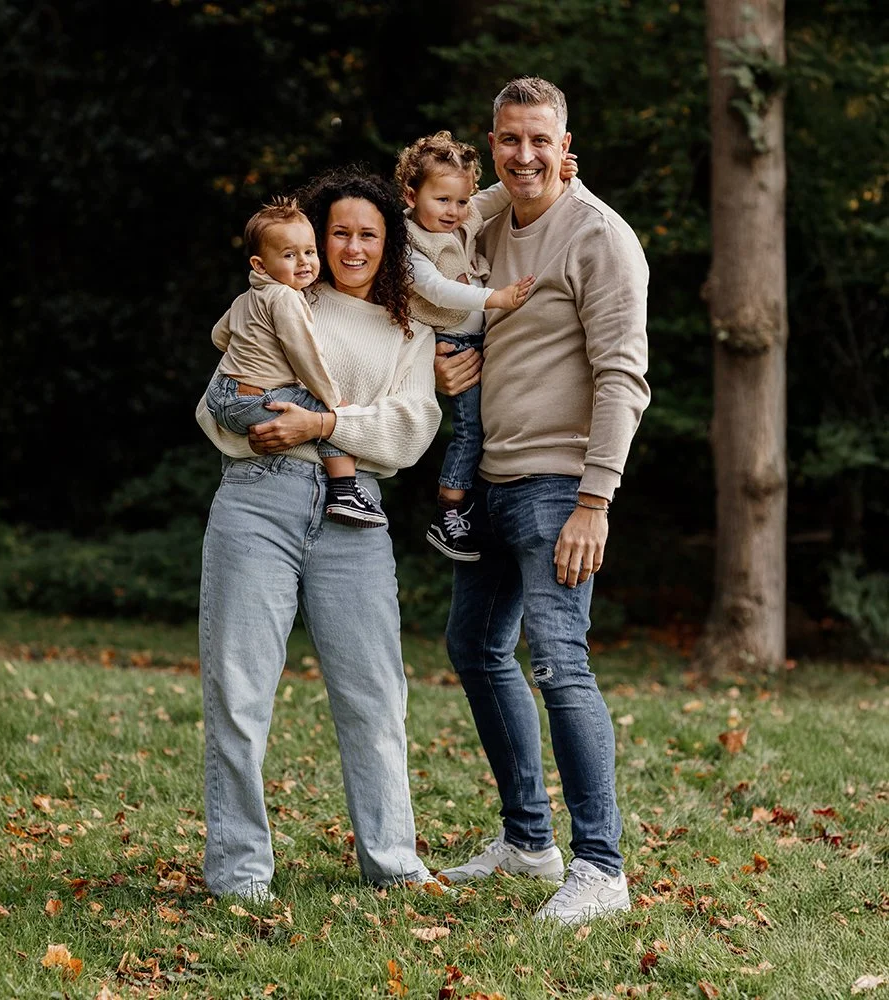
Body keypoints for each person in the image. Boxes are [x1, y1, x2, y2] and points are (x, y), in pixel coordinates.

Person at [433, 77, 651, 926]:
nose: (524, 156)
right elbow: (427, 227)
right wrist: (442, 369)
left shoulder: (600, 238)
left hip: (562, 484)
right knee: (475, 647)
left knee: (560, 663)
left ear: (567, 149)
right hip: (490, 476)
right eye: (508, 140)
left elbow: (623, 377)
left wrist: (596, 498)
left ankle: (601, 867)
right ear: (494, 143)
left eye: (539, 141)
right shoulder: (488, 217)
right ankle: (528, 841)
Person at [194, 168, 443, 901]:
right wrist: (268, 428)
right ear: (314, 238)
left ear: (388, 241)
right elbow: (217, 408)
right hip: (256, 501)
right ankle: (240, 872)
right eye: (340, 232)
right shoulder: (274, 301)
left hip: (354, 512)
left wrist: (325, 424)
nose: (353, 246)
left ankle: (393, 863)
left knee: (374, 695)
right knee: (238, 692)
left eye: (369, 233)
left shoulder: (409, 327)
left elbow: (410, 429)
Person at [394, 131, 577, 561]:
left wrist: (558, 176)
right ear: (410, 194)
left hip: (479, 338)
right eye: (442, 201)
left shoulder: (462, 218)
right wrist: (495, 297)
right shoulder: (410, 244)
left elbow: (497, 196)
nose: (455, 212)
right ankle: (448, 512)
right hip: (452, 342)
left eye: (461, 201)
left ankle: (471, 501)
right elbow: (437, 290)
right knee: (470, 431)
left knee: (487, 424)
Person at [204, 197, 387, 528]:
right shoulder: (286, 297)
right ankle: (345, 490)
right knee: (329, 415)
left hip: (221, 394)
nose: (304, 262)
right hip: (255, 397)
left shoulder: (247, 297)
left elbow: (219, 336)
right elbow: (305, 357)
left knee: (320, 413)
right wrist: (335, 402)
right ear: (260, 265)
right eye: (289, 255)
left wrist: (253, 351)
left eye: (309, 252)